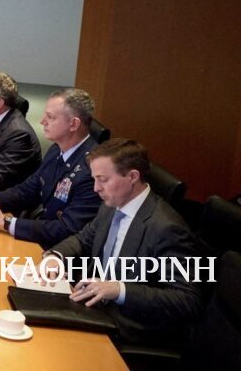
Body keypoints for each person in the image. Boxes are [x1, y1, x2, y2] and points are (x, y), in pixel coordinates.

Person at [46, 139, 202, 347]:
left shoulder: (167, 228)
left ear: (132, 177)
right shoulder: (112, 204)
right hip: (91, 306)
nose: (96, 188)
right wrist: (55, 257)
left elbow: (187, 300)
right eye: (94, 179)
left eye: (103, 180)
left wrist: (119, 290)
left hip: (126, 329)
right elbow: (83, 238)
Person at [0, 88, 101, 250]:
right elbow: (30, 188)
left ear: (73, 124)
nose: (42, 121)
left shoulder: (93, 171)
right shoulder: (56, 150)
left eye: (50, 117)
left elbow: (67, 229)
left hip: (58, 253)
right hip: (40, 238)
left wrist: (6, 222)